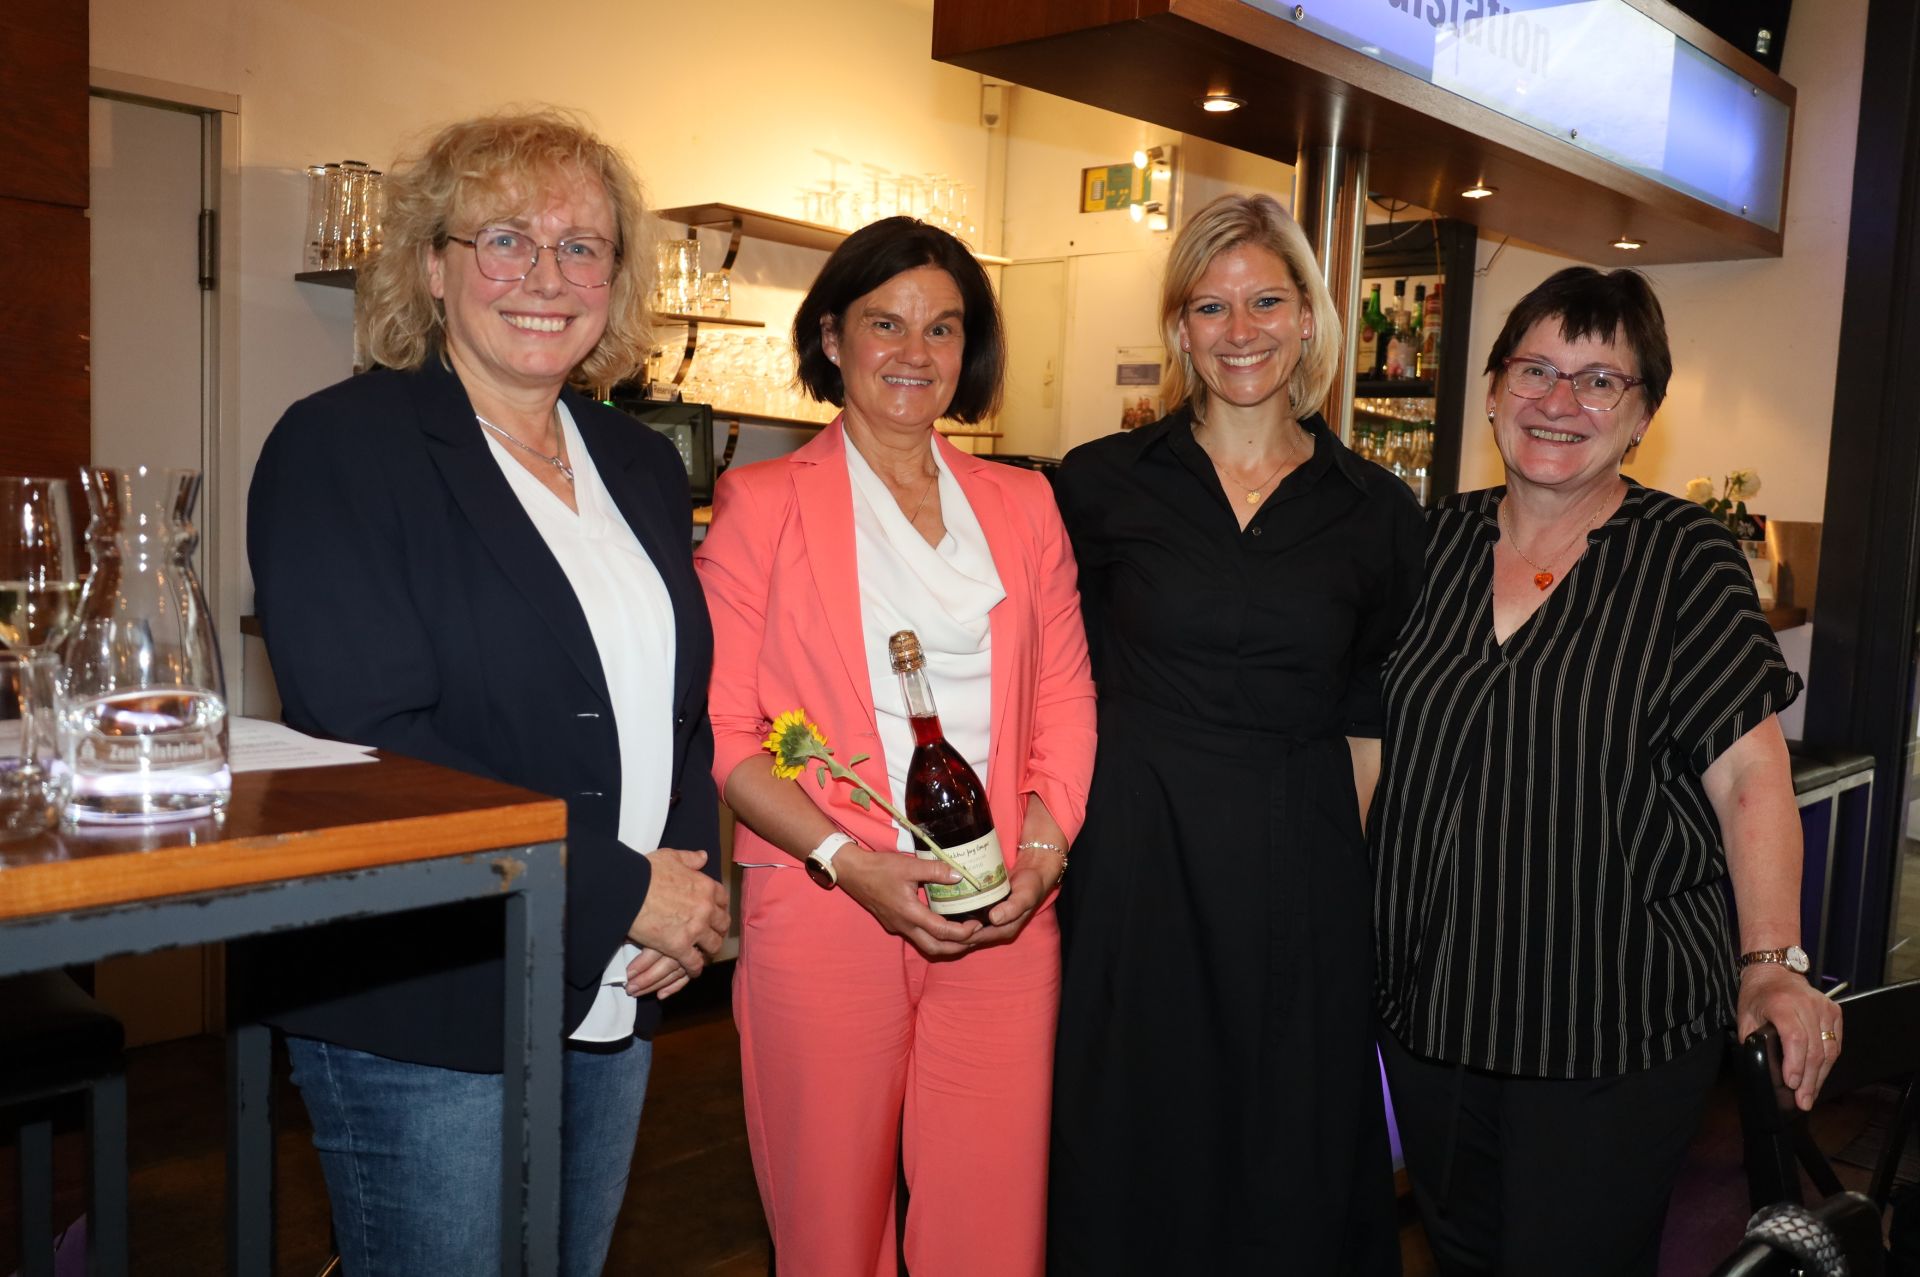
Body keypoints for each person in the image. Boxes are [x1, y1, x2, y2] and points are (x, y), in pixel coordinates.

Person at [246, 109, 730, 1277]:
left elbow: (676, 701)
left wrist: (689, 889)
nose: (545, 276)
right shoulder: (339, 446)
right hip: (432, 980)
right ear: (432, 265)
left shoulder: (637, 461)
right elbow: (376, 738)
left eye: (581, 246)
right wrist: (629, 889)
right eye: (506, 238)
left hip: (615, 967)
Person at [1372, 266, 1840, 1276]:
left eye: (1599, 381)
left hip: (1606, 1018)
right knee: (1459, 1252)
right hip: (1431, 1004)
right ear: (1493, 388)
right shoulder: (1424, 543)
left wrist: (1771, 959)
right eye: (1536, 369)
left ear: (1642, 416)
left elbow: (1750, 778)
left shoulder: (1686, 557)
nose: (1559, 401)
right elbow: (1365, 747)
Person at [694, 216, 1097, 1277]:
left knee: (992, 1227)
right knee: (829, 1228)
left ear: (970, 350)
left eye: (943, 328)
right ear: (833, 337)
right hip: (826, 903)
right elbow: (727, 732)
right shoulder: (762, 503)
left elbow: (1066, 695)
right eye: (886, 323)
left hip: (1003, 906)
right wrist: (846, 860)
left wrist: (1045, 852)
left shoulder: (1026, 503)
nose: (915, 352)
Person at [1047, 192, 1423, 1274]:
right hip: (1138, 860)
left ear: (1308, 316)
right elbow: (1054, 679)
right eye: (1211, 306)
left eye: (1265, 301)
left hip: (1298, 865)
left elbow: (1370, 712)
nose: (1240, 329)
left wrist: (1331, 877)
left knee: (1286, 1150)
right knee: (1135, 1135)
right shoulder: (1099, 482)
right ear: (1179, 327)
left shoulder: (1377, 510)